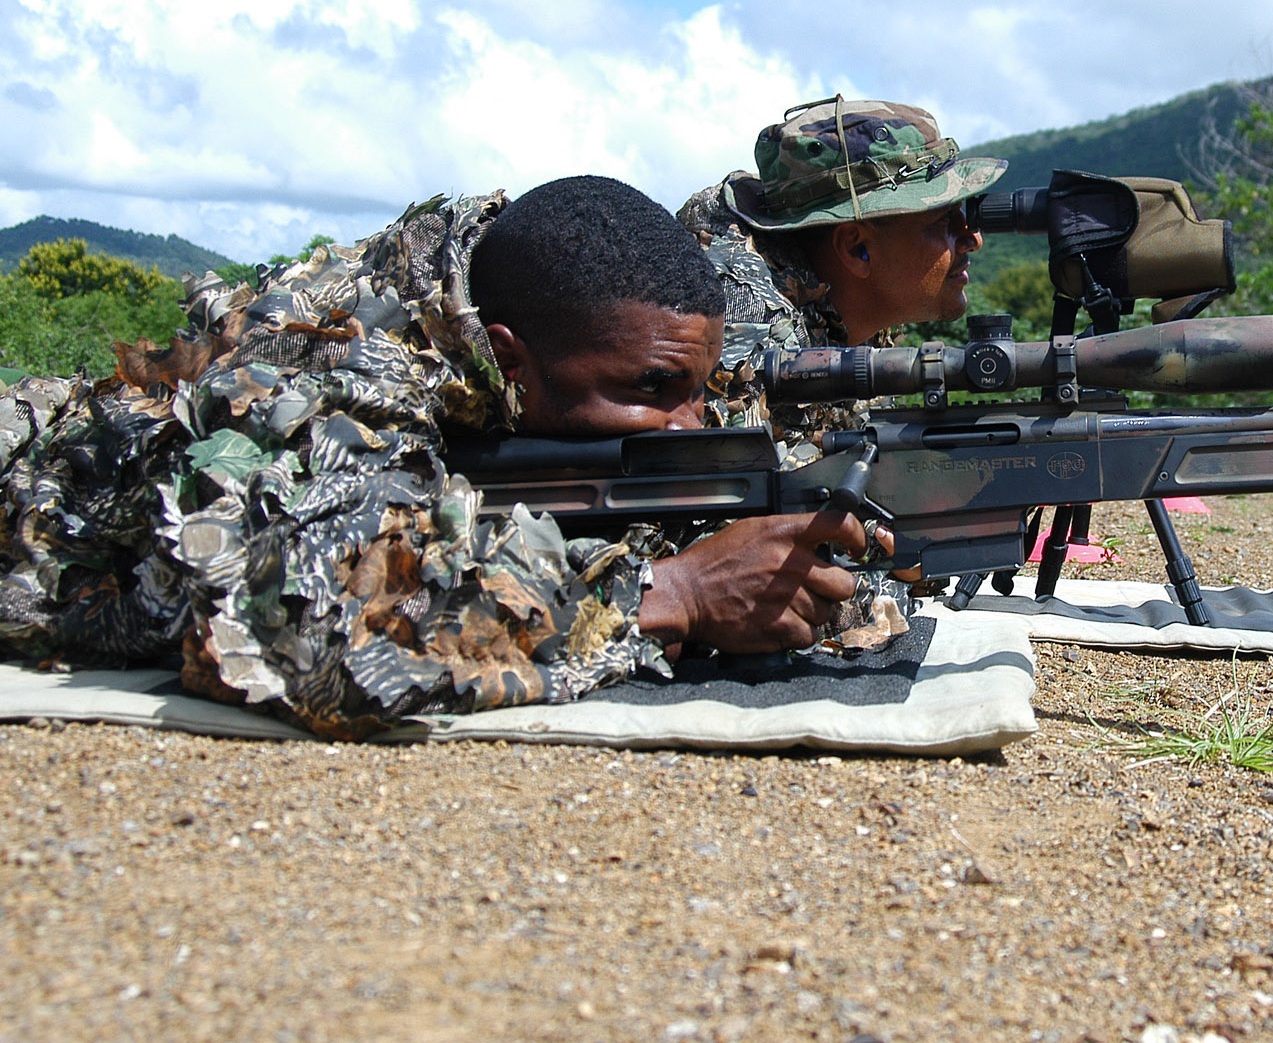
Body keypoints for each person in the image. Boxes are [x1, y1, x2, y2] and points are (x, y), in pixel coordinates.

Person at [0, 176, 880, 738]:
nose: (689, 426)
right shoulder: (328, 368)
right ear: (504, 356)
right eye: (652, 390)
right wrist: (672, 594)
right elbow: (319, 632)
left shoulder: (584, 341)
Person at [678, 96, 1007, 460]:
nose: (973, 239)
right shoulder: (746, 332)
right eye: (942, 220)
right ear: (856, 250)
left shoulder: (857, 308)